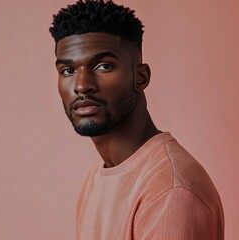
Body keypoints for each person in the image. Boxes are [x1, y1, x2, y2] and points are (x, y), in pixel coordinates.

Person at [49, 0, 224, 239]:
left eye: (103, 66)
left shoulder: (170, 191)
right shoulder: (96, 178)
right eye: (68, 70)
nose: (81, 85)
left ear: (140, 77)